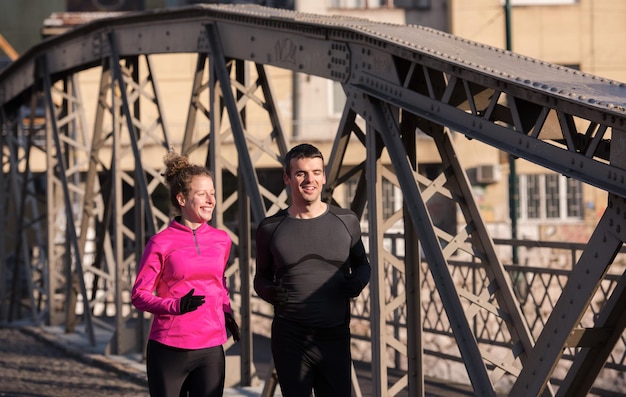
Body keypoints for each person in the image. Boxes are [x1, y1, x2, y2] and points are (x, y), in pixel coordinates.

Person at [254, 143, 371, 397]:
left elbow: (363, 265)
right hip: (290, 339)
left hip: (335, 338)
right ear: (287, 178)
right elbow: (260, 277)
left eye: (316, 172)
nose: (310, 180)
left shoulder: (347, 221)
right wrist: (269, 292)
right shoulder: (269, 228)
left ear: (324, 176)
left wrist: (358, 282)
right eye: (301, 173)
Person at [131, 151, 240, 397]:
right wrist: (175, 305)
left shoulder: (221, 240)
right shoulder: (160, 243)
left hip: (211, 347)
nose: (211, 200)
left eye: (212, 193)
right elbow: (139, 295)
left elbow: (219, 284)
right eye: (202, 194)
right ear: (181, 199)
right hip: (170, 349)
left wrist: (227, 312)